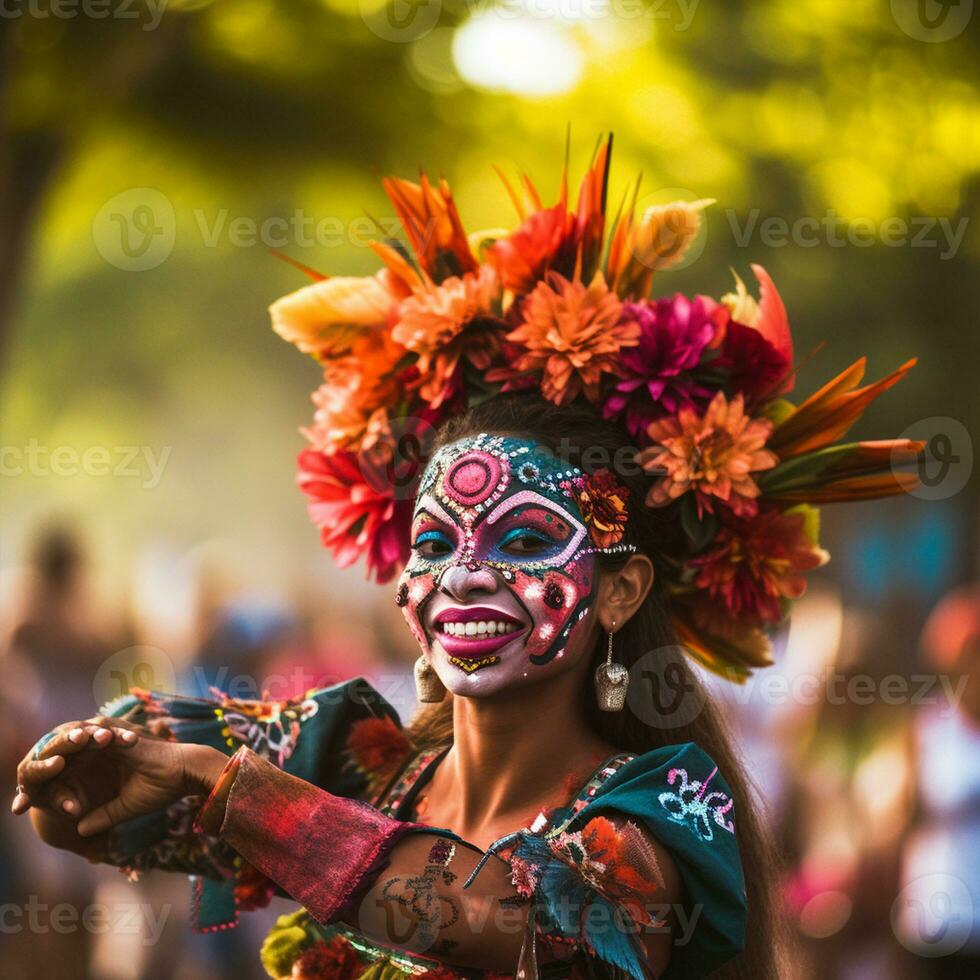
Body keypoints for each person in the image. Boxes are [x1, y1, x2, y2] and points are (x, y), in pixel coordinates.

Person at [12, 140, 923, 980]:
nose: (466, 576)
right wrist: (82, 779)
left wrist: (233, 791)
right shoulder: (357, 764)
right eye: (437, 543)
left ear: (620, 590)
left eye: (524, 541)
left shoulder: (664, 814)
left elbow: (507, 916)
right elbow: (98, 810)